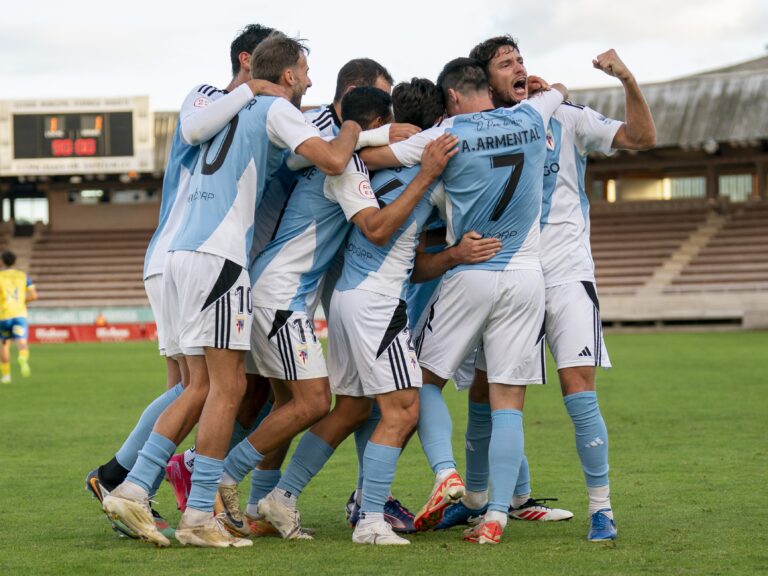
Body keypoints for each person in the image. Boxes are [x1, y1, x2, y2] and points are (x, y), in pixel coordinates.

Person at [102, 33, 362, 548]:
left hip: (180, 254)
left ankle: (142, 489)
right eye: (305, 72)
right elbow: (332, 161)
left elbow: (282, 160)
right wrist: (353, 123)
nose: (308, 82)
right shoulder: (274, 108)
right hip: (220, 258)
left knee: (199, 386)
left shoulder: (225, 110)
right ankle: (192, 512)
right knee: (227, 389)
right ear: (287, 75)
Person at [85, 23, 288, 539]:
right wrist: (253, 90)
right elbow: (198, 129)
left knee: (191, 386)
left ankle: (127, 483)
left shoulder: (248, 111)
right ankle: (123, 481)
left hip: (182, 255)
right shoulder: (210, 96)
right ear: (247, 60)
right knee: (199, 385)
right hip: (184, 250)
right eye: (265, 62)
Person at [363, 57, 567, 544]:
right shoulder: (532, 115)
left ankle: (447, 472)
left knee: (421, 379)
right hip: (525, 275)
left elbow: (370, 159)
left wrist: (385, 135)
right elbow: (558, 88)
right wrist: (544, 86)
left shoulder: (445, 135)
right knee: (508, 403)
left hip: (471, 269)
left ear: (451, 97)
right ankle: (496, 516)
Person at [464, 35, 656, 542]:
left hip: (569, 273)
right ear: (487, 80)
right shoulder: (479, 130)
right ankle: (479, 501)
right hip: (511, 277)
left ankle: (601, 509)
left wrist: (626, 78)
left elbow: (641, 137)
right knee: (489, 391)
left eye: (520, 59)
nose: (520, 67)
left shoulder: (566, 116)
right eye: (506, 63)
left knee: (579, 388)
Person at [0, 250, 37, 383]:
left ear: (2, 262)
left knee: (4, 344)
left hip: (4, 315)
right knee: (22, 342)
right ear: (15, 261)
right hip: (20, 314)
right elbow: (33, 295)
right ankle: (23, 356)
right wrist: (21, 301)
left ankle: (6, 376)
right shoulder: (23, 276)